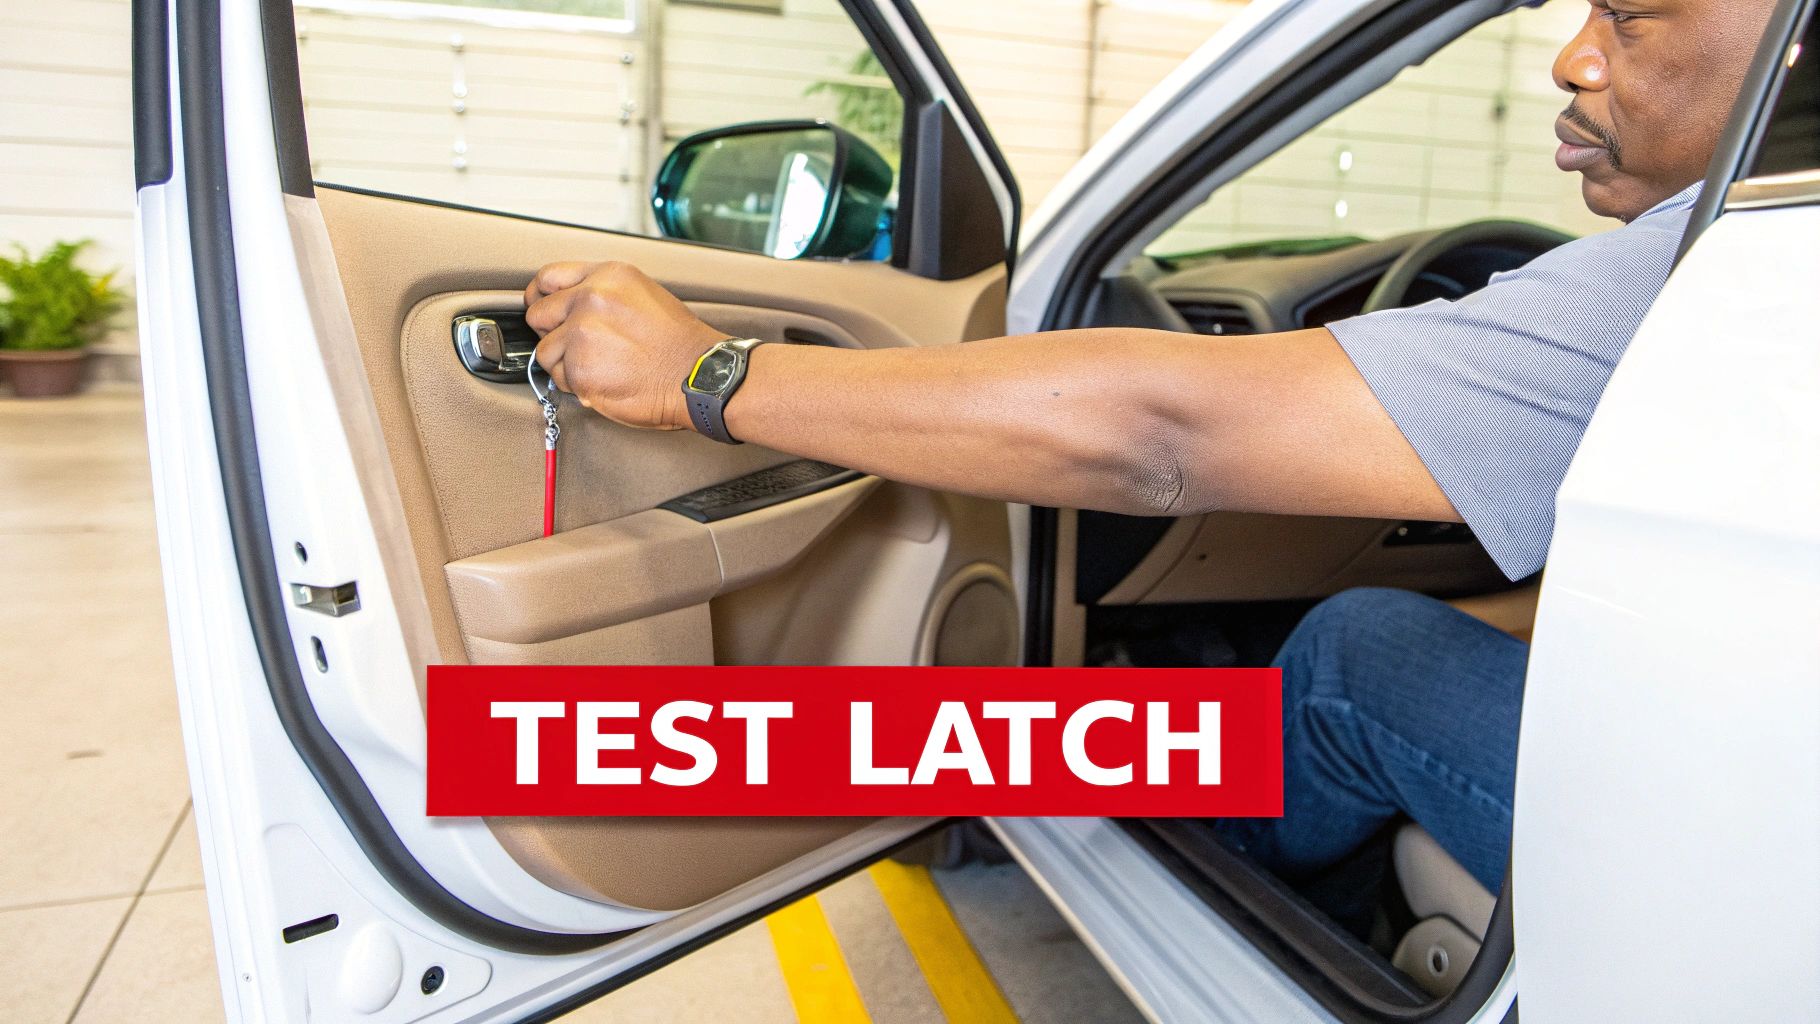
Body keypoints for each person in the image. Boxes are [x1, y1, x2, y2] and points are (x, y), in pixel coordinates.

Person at [522, 0, 1775, 924]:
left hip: (1757, 846)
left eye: (1628, 12)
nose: (1572, 57)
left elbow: (1162, 436)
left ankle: (1271, 900)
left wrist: (711, 375)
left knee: (1356, 653)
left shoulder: (1716, 262)